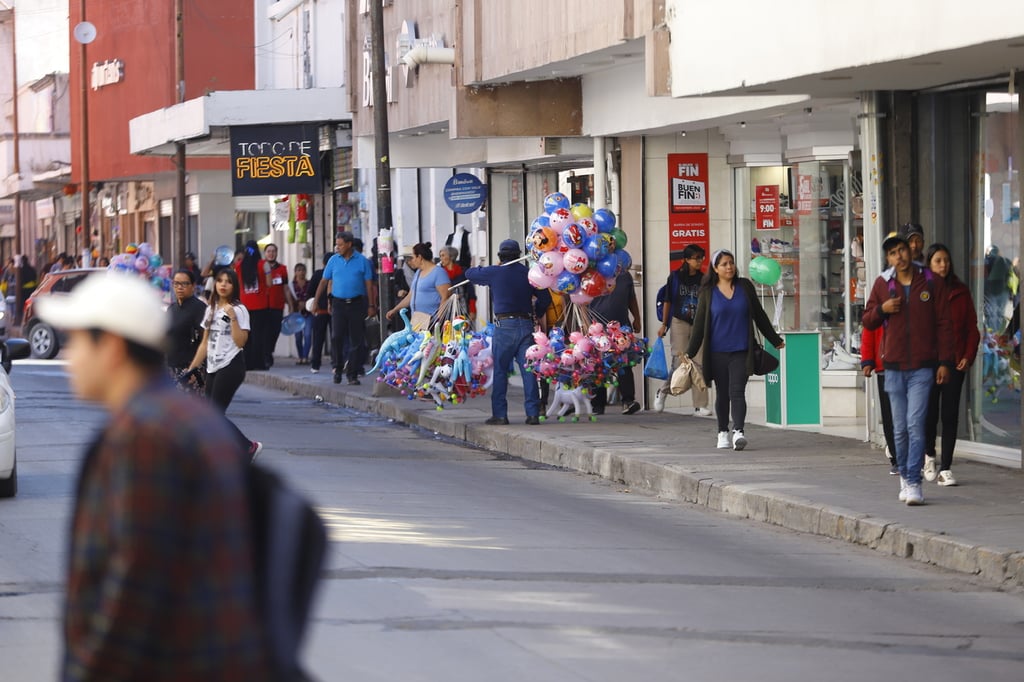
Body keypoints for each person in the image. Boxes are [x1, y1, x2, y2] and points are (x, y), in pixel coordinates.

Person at [34, 272, 272, 680]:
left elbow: (130, 593)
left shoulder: (142, 440)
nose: (70, 357)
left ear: (110, 347)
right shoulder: (176, 422)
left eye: (78, 343)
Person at [863, 232, 954, 506]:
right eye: (892, 253)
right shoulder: (882, 283)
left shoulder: (930, 281)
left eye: (902, 250)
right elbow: (867, 320)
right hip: (893, 366)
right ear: (888, 258)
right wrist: (883, 309)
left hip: (923, 367)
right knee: (900, 429)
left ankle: (914, 482)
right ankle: (904, 475)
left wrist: (945, 362)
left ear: (910, 251)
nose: (899, 256)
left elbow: (944, 324)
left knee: (916, 425)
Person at [685, 249, 784, 451]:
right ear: (715, 269)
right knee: (723, 394)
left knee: (737, 391)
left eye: (731, 263)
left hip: (742, 351)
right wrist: (690, 351)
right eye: (724, 264)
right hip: (717, 352)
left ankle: (738, 431)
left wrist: (774, 340)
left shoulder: (745, 287)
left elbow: (759, 315)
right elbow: (699, 324)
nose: (729, 267)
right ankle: (722, 432)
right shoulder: (708, 293)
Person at [466, 238, 551, 426]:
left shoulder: (495, 273)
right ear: (519, 255)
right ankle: (533, 414)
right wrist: (537, 312)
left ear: (500, 256)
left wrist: (494, 268)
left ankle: (500, 415)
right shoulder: (529, 274)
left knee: (501, 371)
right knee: (528, 371)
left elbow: (469, 273)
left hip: (504, 326)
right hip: (526, 325)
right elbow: (545, 298)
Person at [185, 267, 263, 461]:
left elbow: (241, 341)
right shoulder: (211, 309)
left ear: (234, 286)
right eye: (220, 281)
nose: (223, 285)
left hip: (231, 365)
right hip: (212, 366)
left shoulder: (239, 309)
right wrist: (192, 368)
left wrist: (233, 317)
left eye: (228, 281)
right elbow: (204, 343)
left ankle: (246, 447)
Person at [922, 243, 980, 487]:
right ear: (929, 264)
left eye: (946, 260)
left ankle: (946, 467)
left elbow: (972, 329)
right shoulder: (921, 291)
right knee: (928, 413)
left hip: (955, 363)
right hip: (928, 364)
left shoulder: (961, 291)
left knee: (950, 415)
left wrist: (968, 355)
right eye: (938, 260)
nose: (943, 265)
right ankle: (929, 456)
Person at [313, 231, 378, 385]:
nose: (338, 247)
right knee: (336, 337)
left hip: (357, 304)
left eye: (341, 244)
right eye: (337, 244)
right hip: (338, 304)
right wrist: (316, 300)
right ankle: (338, 368)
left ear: (349, 244)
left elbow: (369, 285)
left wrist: (371, 304)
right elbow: (324, 281)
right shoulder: (333, 261)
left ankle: (352, 373)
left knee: (356, 340)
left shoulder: (362, 261)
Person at [654, 244, 711, 416]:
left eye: (701, 258)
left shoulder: (704, 278)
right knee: (680, 362)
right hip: (679, 321)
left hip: (698, 323)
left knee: (699, 362)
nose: (699, 261)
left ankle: (700, 405)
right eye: (696, 258)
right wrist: (664, 324)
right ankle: (663, 391)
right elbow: (668, 301)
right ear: (686, 259)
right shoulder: (675, 277)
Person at [589, 270, 643, 415]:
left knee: (623, 364)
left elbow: (632, 298)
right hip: (597, 328)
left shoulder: (624, 275)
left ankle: (628, 401)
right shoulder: (592, 272)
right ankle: (598, 404)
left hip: (621, 327)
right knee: (598, 365)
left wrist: (637, 318)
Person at [860, 320, 899, 475]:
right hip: (886, 365)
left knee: (912, 414)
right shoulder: (880, 297)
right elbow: (869, 327)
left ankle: (916, 455)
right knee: (889, 415)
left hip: (912, 365)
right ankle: (896, 458)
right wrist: (868, 360)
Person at [386, 242, 451, 326]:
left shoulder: (438, 272)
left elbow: (445, 297)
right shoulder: (418, 273)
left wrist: (438, 321)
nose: (412, 261)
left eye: (413, 257)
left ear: (419, 257)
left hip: (432, 320)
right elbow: (411, 295)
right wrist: (395, 310)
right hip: (418, 320)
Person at [166, 269, 207, 395]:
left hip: (192, 369)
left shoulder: (200, 308)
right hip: (172, 368)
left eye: (184, 284)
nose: (180, 287)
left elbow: (207, 342)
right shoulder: (172, 308)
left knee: (191, 411)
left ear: (193, 286)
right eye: (176, 283)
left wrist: (196, 370)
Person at [236, 240, 270, 370]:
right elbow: (269, 283)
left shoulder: (239, 266)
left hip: (244, 305)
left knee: (247, 336)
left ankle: (247, 363)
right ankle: (259, 363)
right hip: (260, 305)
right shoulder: (263, 264)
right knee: (259, 335)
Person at [262, 243, 296, 368]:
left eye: (273, 251)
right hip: (263, 306)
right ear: (265, 253)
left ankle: (269, 351)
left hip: (277, 305)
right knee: (265, 331)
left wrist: (291, 305)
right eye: (268, 251)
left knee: (275, 331)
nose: (271, 253)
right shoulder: (260, 268)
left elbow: (286, 288)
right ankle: (266, 355)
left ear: (276, 253)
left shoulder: (282, 269)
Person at [307, 252, 334, 374]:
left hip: (320, 311)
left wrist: (315, 303)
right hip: (332, 310)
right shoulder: (334, 274)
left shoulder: (318, 274)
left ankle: (315, 364)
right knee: (335, 338)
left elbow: (310, 291)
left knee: (318, 338)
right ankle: (335, 363)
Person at [439, 244, 476, 317]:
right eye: (440, 256)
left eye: (443, 255)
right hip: (445, 311)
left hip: (462, 309)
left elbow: (471, 292)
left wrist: (473, 310)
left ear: (451, 256)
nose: (441, 258)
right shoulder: (440, 273)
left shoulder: (463, 272)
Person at [291, 262, 313, 365]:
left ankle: (305, 356)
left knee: (308, 334)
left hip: (308, 313)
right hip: (296, 314)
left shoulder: (309, 284)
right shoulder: (292, 285)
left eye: (303, 270)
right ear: (295, 272)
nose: (301, 272)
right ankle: (300, 356)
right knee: (298, 336)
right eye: (299, 270)